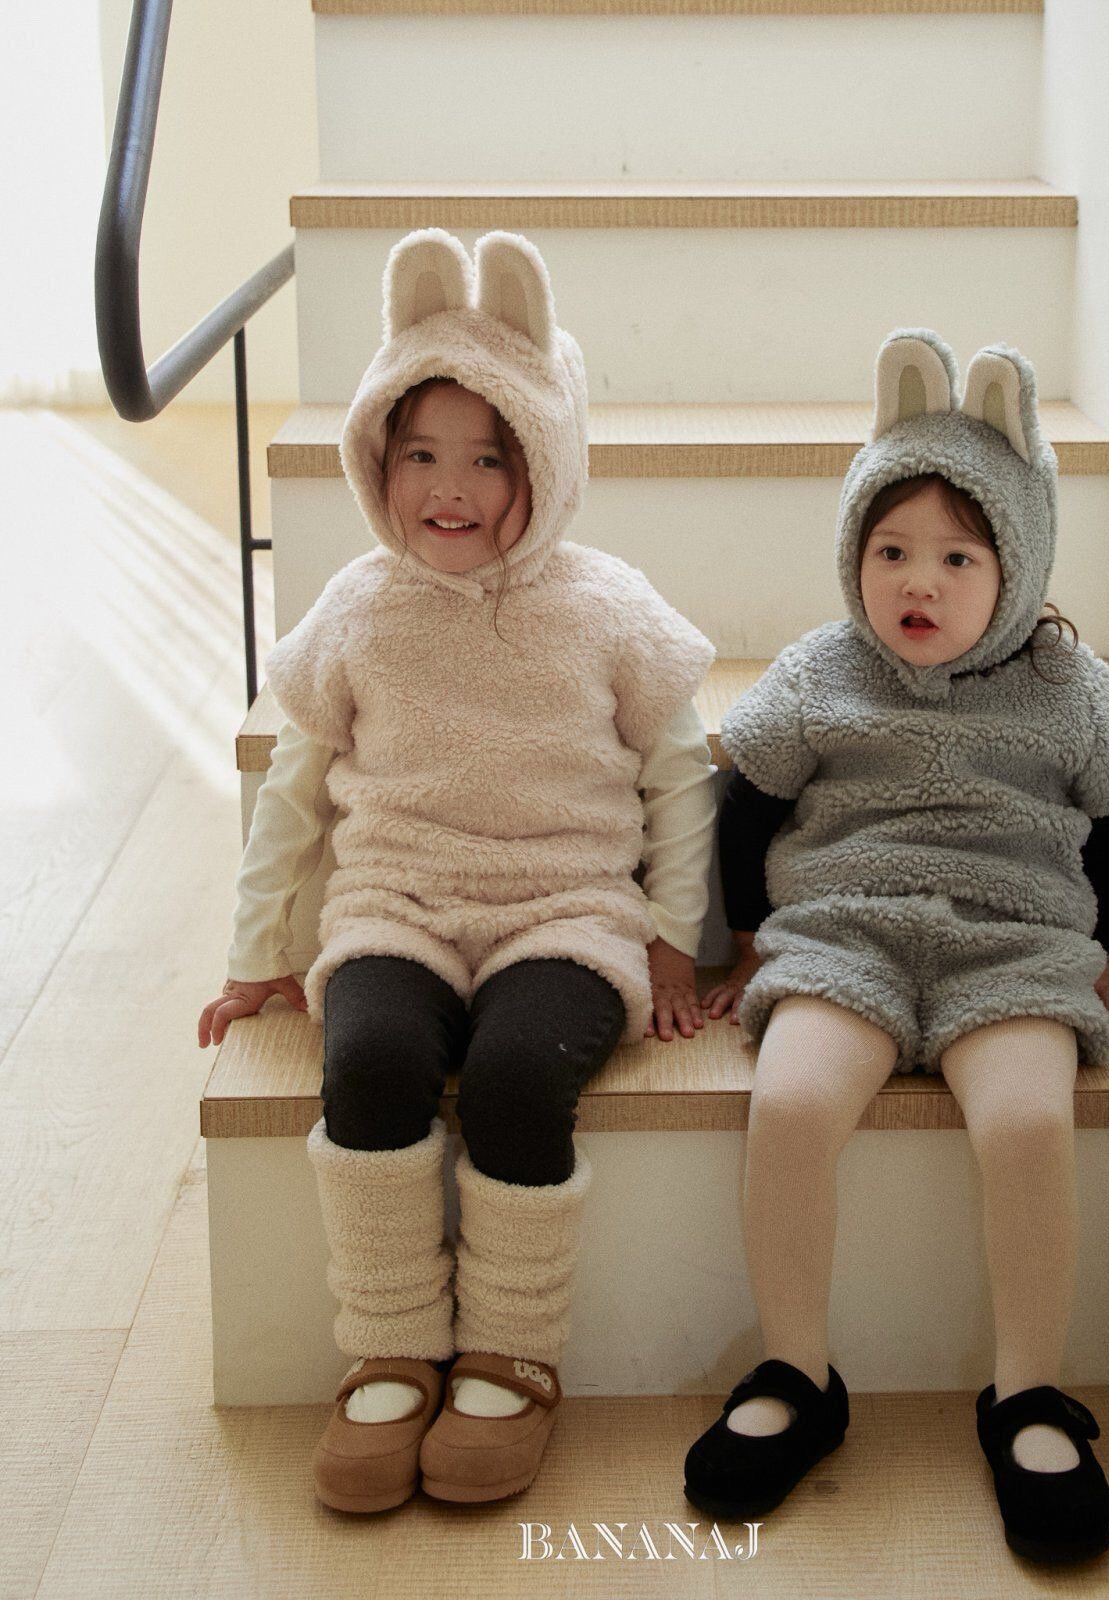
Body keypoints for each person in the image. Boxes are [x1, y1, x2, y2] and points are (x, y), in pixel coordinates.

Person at [197, 227, 717, 1513]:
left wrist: (668, 936)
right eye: (419, 452)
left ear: (547, 460)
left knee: (513, 1078)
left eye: (490, 457)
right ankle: (388, 1347)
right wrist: (258, 955)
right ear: (376, 458)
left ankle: (508, 1353)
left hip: (565, 914)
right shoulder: (356, 608)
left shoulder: (605, 605)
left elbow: (678, 776)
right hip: (398, 905)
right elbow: (292, 794)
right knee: (369, 1062)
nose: (450, 487)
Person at [683, 328, 1109, 1565]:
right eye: (889, 550)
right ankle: (794, 1371)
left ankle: (1028, 1394)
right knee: (790, 1106)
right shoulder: (821, 669)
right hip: (845, 930)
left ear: (1018, 563)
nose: (918, 582)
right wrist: (745, 942)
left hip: (1013, 944)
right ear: (853, 554)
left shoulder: (1062, 683)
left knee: (1027, 1125)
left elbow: (1108, 816)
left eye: (957, 557)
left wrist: (1106, 954)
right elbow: (747, 799)